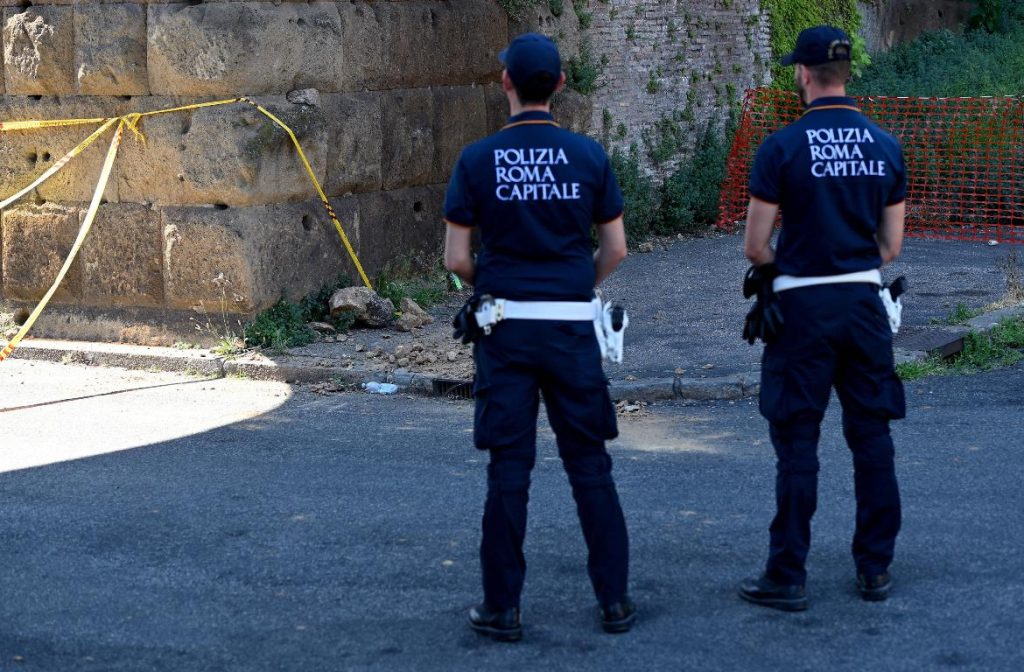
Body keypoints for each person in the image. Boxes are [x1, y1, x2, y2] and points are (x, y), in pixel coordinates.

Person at [443, 32, 634, 641]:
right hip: (572, 330)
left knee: (509, 470)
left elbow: (455, 258)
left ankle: (503, 608)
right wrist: (575, 287)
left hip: (505, 333)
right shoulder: (588, 157)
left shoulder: (475, 160)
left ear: (506, 84)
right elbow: (617, 248)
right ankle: (615, 602)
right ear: (558, 86)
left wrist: (499, 284)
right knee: (590, 466)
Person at [739, 25, 908, 611]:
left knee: (797, 441)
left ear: (804, 74)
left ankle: (788, 574)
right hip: (863, 305)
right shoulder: (885, 145)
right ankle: (875, 567)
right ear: (846, 75)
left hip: (802, 309)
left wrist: (796, 263)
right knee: (871, 435)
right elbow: (890, 247)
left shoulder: (781, 147)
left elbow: (756, 246)